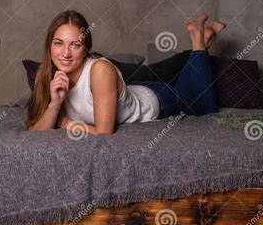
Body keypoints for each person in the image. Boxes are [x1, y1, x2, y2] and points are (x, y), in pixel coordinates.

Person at [27, 10, 225, 134]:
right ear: (49, 45)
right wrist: (55, 104)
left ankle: (198, 39)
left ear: (86, 48)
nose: (65, 54)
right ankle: (204, 40)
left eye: (75, 45)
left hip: (158, 100)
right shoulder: (46, 73)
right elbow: (34, 130)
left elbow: (104, 133)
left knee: (203, 106)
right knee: (191, 90)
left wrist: (65, 123)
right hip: (130, 91)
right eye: (58, 43)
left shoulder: (100, 70)